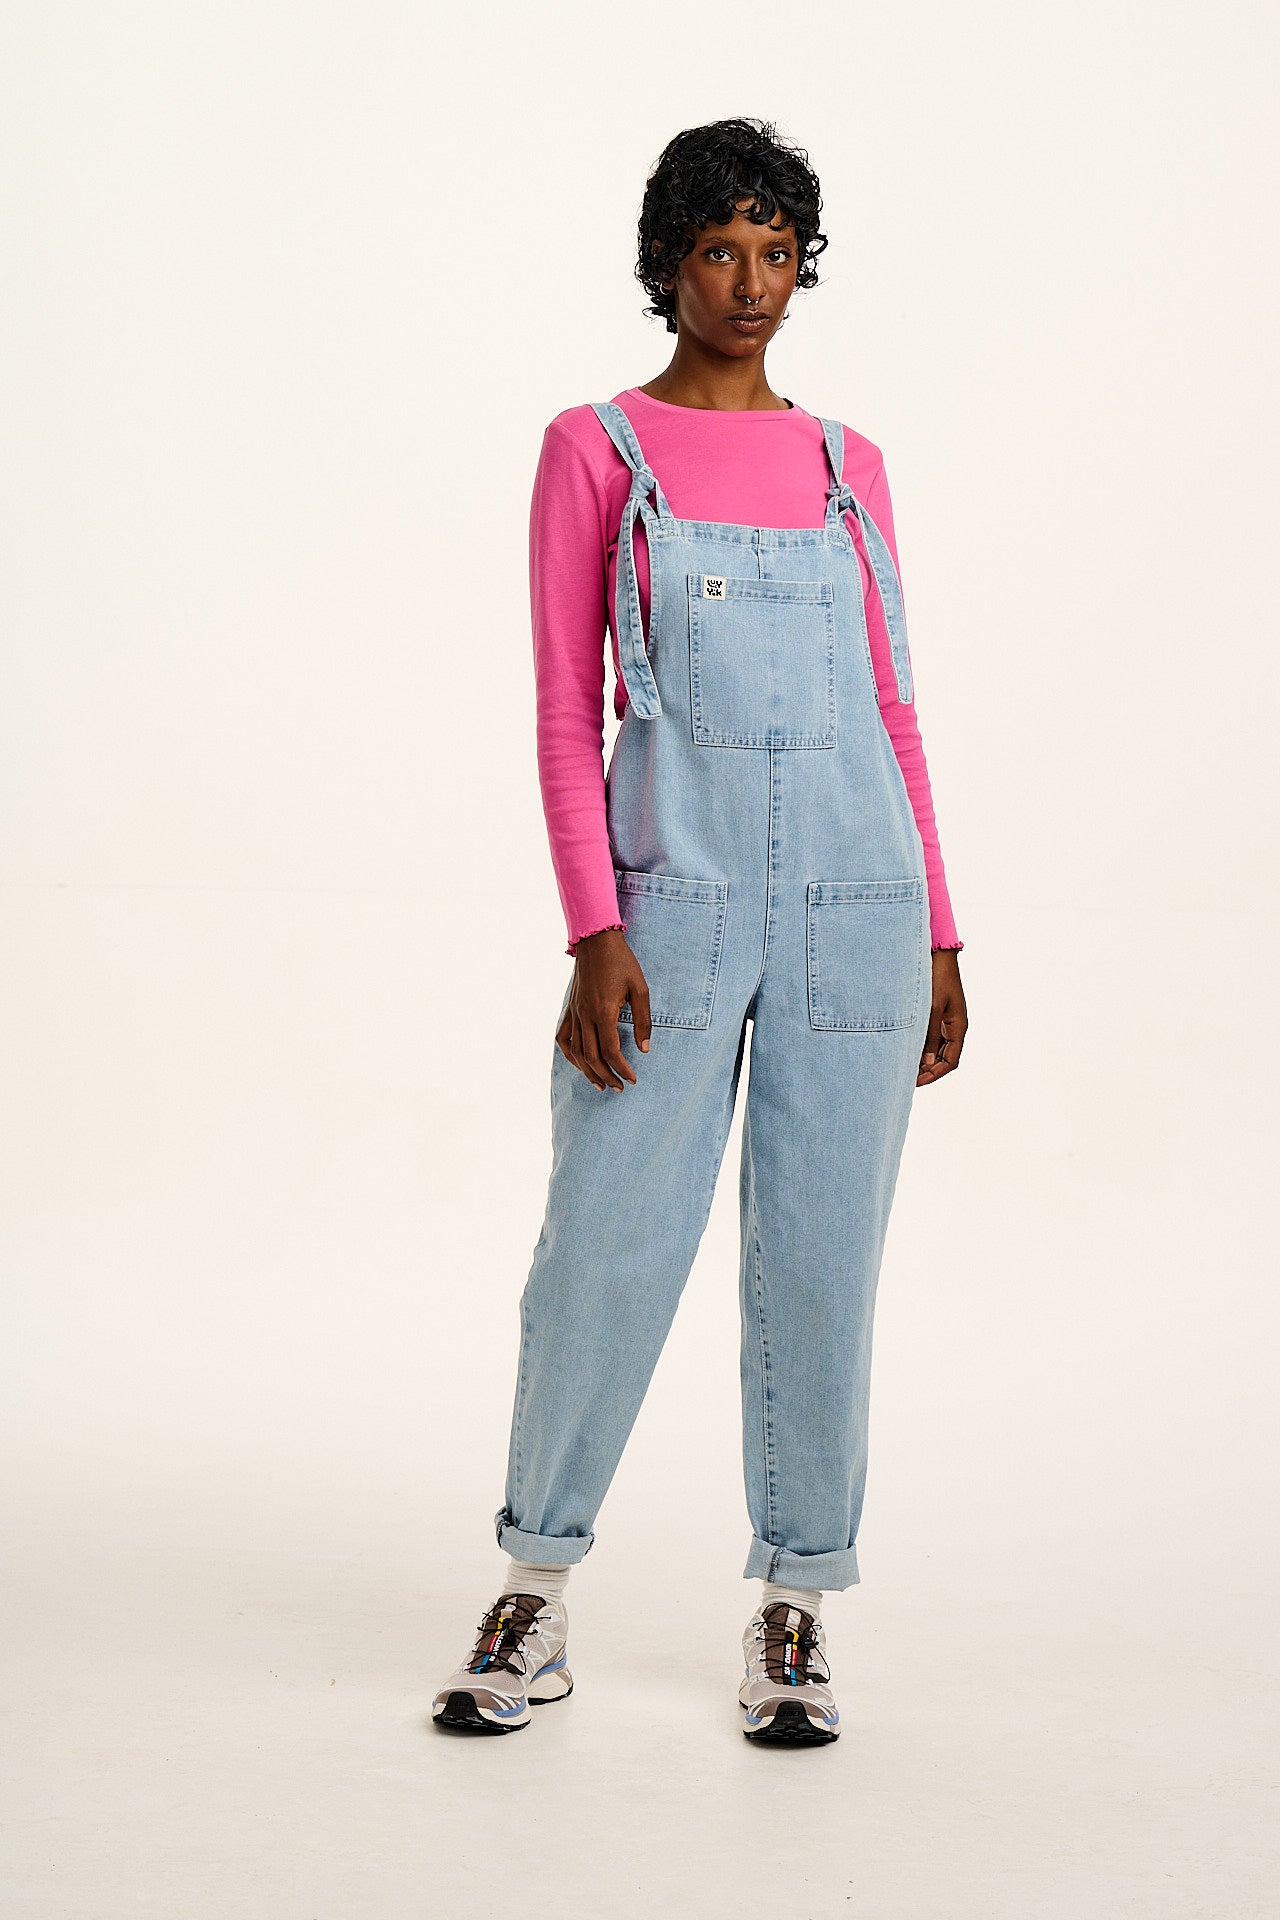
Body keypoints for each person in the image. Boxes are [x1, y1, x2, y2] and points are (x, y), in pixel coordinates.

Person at [432, 118, 968, 1744]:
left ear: (805, 269)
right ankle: (534, 1588)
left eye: (777, 252)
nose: (750, 282)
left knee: (822, 1257)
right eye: (720, 250)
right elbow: (563, 708)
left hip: (860, 908)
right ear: (666, 263)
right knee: (602, 1245)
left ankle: (797, 1605)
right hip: (669, 908)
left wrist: (940, 932)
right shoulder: (597, 448)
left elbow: (893, 705)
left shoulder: (848, 466)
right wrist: (594, 928)